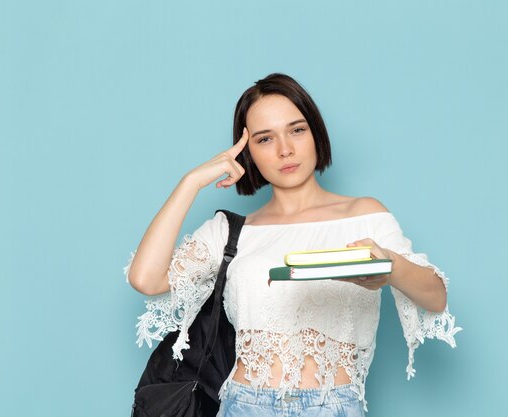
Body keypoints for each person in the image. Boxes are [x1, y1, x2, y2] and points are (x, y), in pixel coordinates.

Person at [124, 73, 461, 416]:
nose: (285, 149)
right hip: (244, 405)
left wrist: (388, 266)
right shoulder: (230, 231)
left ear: (315, 132)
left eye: (297, 130)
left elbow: (435, 296)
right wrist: (191, 182)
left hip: (333, 405)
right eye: (265, 138)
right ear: (248, 152)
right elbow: (146, 279)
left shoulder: (365, 215)